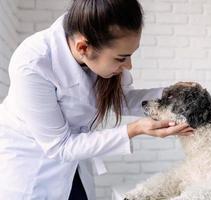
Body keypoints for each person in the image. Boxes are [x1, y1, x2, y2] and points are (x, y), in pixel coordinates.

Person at [0, 0, 194, 199]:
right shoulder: (33, 64)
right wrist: (134, 129)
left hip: (74, 160)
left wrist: (169, 94)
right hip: (33, 166)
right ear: (83, 47)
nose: (129, 66)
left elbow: (122, 100)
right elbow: (60, 146)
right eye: (121, 58)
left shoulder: (96, 50)